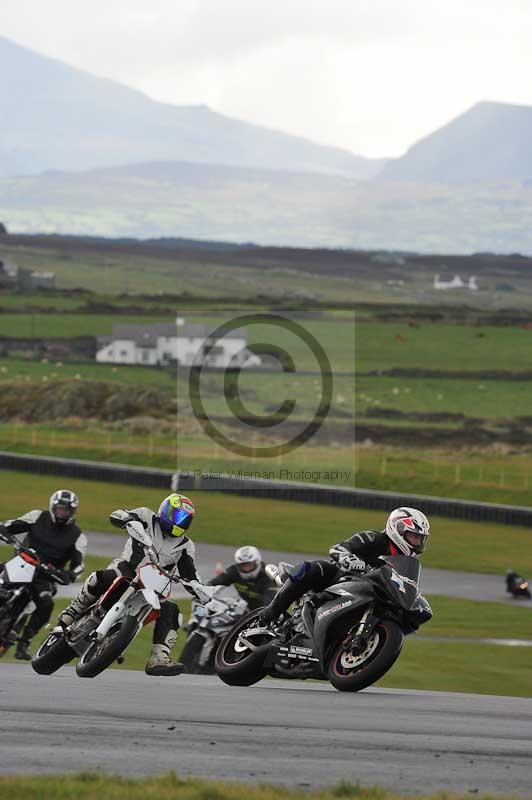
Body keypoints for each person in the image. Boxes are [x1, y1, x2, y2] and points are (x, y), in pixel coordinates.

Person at [59, 493, 207, 677]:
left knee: (173, 611)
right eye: (178, 516)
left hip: (155, 584)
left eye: (185, 520)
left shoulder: (186, 545)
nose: (180, 522)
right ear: (166, 510)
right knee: (102, 577)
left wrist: (200, 588)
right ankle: (74, 609)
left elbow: (189, 571)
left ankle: (159, 657)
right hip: (128, 568)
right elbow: (119, 515)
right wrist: (126, 519)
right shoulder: (146, 516)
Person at [259, 507, 430, 625]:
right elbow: (339, 548)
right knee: (310, 569)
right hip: (340, 577)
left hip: (369, 594)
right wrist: (349, 559)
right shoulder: (374, 539)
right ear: (398, 529)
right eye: (414, 537)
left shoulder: (404, 563)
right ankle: (270, 613)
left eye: (420, 539)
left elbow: (406, 585)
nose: (417, 543)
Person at [0, 490, 86, 660]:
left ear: (73, 512)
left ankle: (25, 642)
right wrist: (8, 535)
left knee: (46, 604)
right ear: (53, 507)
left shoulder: (78, 536)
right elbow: (8, 526)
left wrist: (67, 575)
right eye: (60, 509)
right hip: (22, 563)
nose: (62, 513)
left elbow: (78, 567)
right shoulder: (37, 516)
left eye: (66, 510)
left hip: (45, 577)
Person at [207, 546, 276, 610]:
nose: (246, 568)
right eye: (243, 565)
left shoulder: (269, 576)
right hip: (247, 607)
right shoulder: (234, 571)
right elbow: (215, 582)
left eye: (249, 565)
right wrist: (204, 591)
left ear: (257, 562)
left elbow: (270, 602)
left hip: (268, 611)